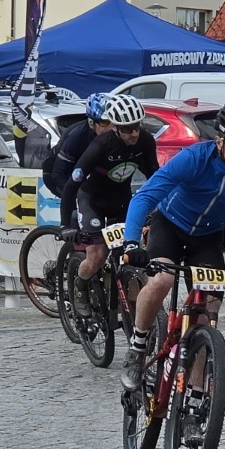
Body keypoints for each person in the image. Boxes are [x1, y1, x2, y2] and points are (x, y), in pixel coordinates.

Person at [118, 103, 225, 392]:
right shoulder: (193, 159)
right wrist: (132, 242)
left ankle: (197, 397)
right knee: (162, 279)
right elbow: (143, 198)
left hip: (208, 238)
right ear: (220, 141)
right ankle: (137, 346)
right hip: (169, 226)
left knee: (206, 312)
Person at [62, 94, 159, 316]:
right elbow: (71, 185)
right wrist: (64, 224)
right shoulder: (100, 145)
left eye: (137, 126)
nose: (134, 133)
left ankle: (132, 307)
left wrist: (159, 209)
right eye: (127, 129)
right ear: (115, 127)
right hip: (93, 200)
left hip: (122, 199)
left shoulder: (145, 141)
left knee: (131, 253)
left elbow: (156, 178)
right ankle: (80, 286)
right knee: (97, 255)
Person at [43, 93, 112, 218]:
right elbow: (58, 174)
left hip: (82, 173)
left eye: (113, 122)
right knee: (82, 208)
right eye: (104, 123)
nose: (110, 128)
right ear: (92, 123)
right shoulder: (77, 136)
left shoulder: (111, 136)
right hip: (57, 173)